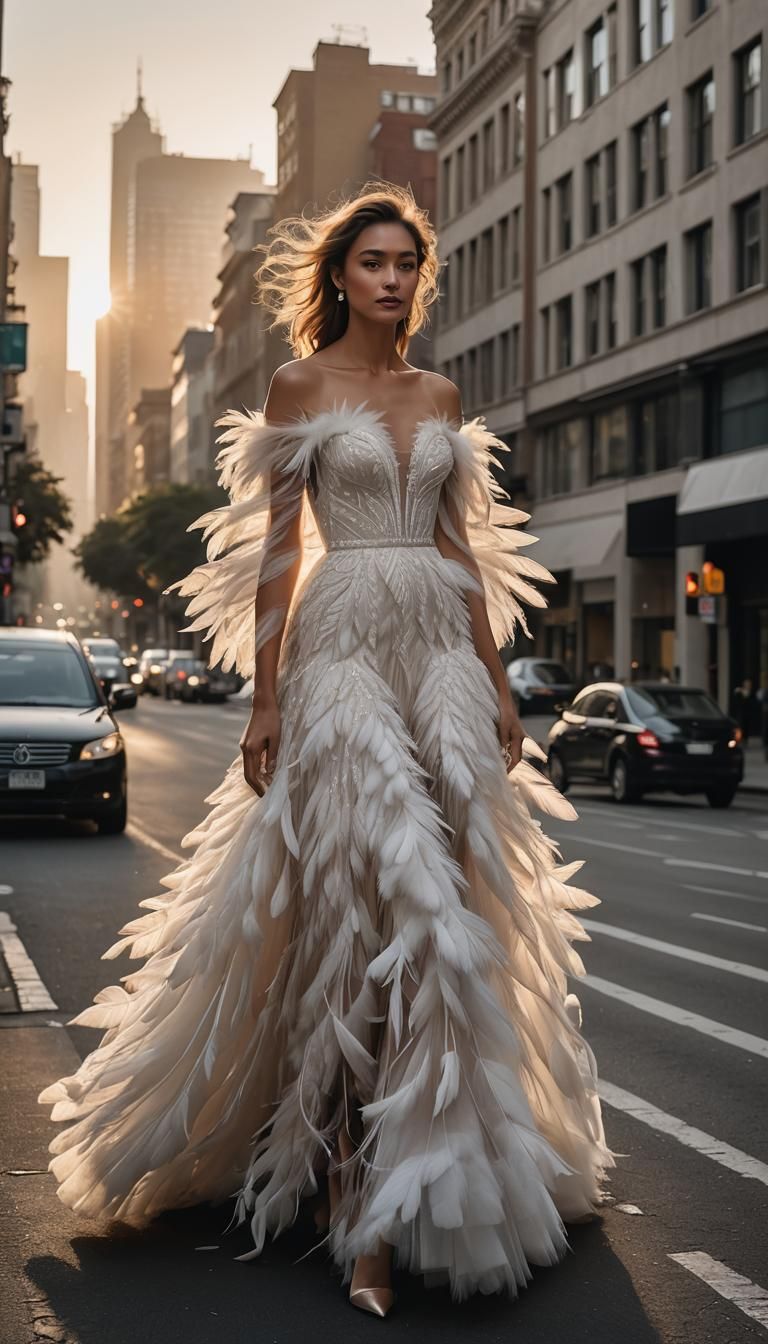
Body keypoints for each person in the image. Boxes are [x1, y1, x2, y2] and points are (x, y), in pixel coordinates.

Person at [39, 183, 614, 1316]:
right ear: (341, 277)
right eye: (373, 263)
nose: (393, 280)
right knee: (360, 908)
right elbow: (275, 555)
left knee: (443, 920)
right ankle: (359, 1209)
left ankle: (417, 1173)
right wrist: (264, 703)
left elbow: (465, 551)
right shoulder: (300, 384)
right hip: (340, 647)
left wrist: (500, 693)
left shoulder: (442, 391)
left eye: (408, 263)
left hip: (439, 656)